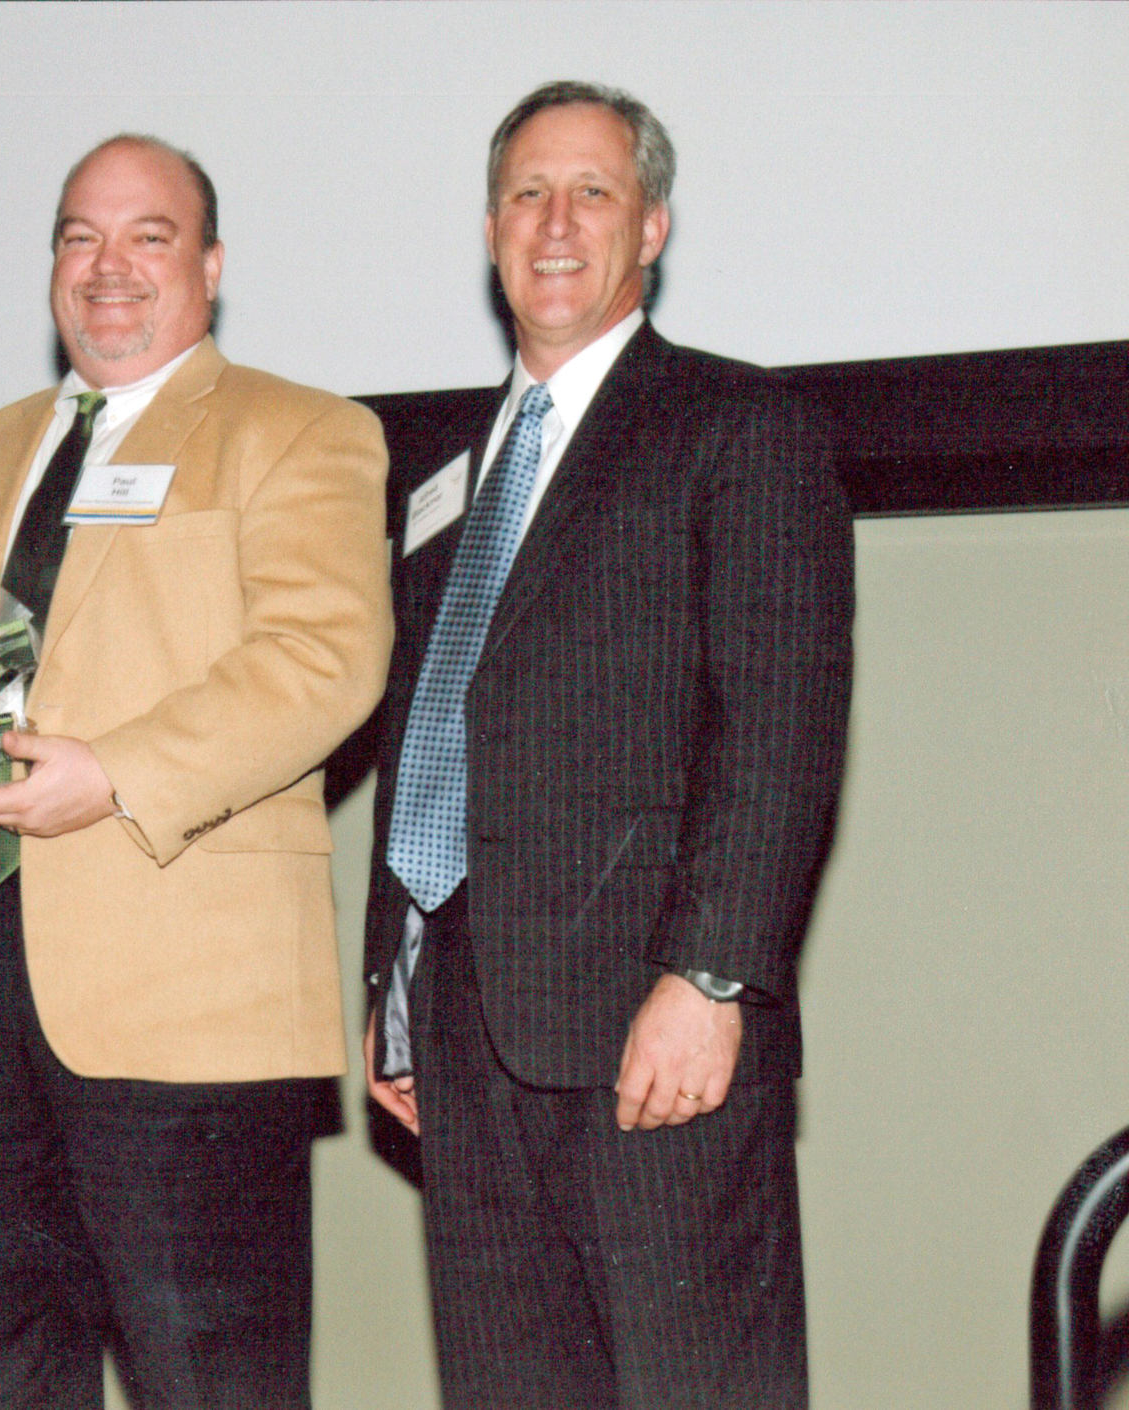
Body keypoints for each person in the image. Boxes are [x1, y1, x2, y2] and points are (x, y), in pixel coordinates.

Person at [0, 133, 391, 1408]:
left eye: (148, 236)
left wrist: (117, 773)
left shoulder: (301, 431)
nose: (109, 267)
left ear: (210, 264)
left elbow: (324, 658)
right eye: (80, 236)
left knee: (210, 1383)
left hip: (186, 989)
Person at [363, 81, 853, 1408]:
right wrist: (396, 985)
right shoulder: (438, 473)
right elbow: (434, 720)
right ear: (489, 230)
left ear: (652, 228)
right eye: (528, 192)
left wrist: (714, 975)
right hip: (468, 1043)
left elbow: (784, 722)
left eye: (592, 191)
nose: (556, 221)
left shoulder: (738, 427)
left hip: (657, 1030)